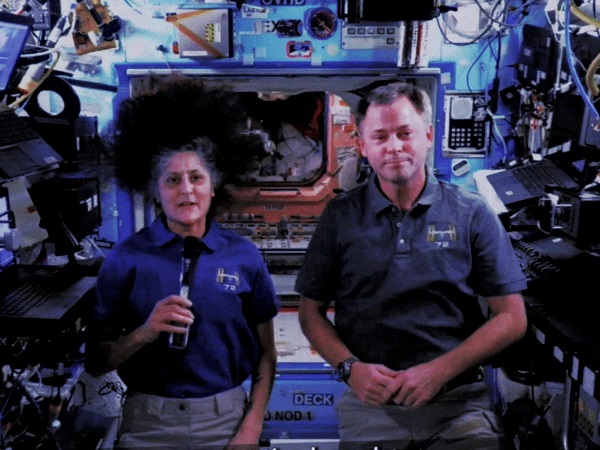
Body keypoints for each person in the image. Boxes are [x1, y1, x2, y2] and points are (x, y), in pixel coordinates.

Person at [295, 81, 528, 449]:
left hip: (458, 403)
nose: (394, 147)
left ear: (428, 136)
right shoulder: (340, 217)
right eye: (380, 136)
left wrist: (439, 372)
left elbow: (512, 318)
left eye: (405, 133)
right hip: (372, 406)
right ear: (363, 145)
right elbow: (310, 313)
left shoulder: (471, 213)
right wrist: (350, 368)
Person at [85, 76, 280, 449]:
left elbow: (266, 356)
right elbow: (97, 362)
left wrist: (250, 430)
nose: (186, 190)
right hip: (148, 423)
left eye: (196, 177)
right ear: (154, 190)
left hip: (226, 421)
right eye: (172, 180)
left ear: (214, 185)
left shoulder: (244, 256)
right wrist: (144, 332)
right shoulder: (126, 258)